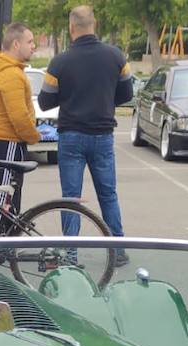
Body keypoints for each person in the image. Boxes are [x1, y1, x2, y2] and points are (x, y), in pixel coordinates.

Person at [38, 6, 133, 238]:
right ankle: (117, 248)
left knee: (70, 198)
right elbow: (127, 94)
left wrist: (68, 96)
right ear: (95, 24)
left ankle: (70, 254)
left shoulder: (59, 62)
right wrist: (106, 101)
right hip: (103, 135)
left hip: (71, 136)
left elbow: (44, 102)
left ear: (71, 28)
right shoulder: (116, 56)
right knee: (108, 195)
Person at [0, 22, 40, 235]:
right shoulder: (11, 74)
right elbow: (19, 116)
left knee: (5, 195)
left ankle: (2, 239)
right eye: (30, 41)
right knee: (4, 196)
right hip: (8, 142)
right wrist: (34, 136)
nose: (33, 46)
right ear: (16, 44)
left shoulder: (5, 69)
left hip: (1, 139)